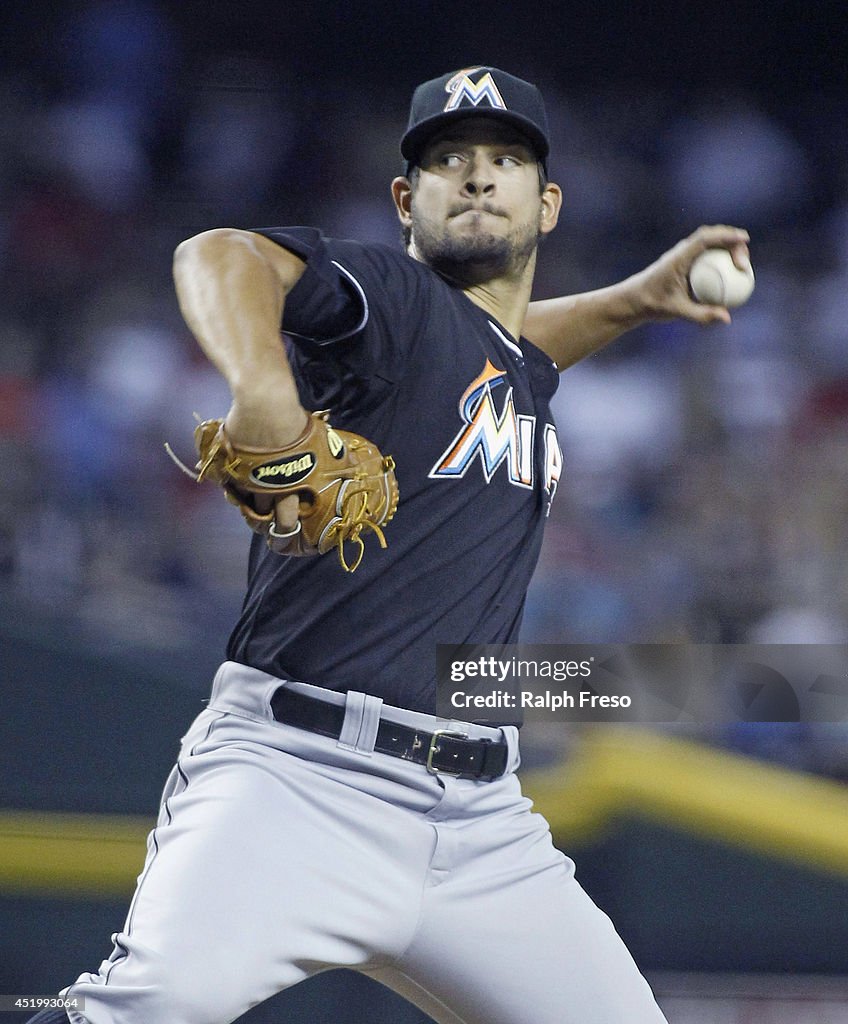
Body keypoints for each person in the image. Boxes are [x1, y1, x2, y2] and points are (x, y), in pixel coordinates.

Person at [29, 66, 750, 1024]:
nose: (479, 176)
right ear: (407, 201)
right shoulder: (390, 298)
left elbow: (519, 350)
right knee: (142, 1016)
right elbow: (221, 253)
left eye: (506, 159)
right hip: (296, 782)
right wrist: (264, 390)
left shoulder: (502, 363)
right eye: (449, 160)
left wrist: (631, 302)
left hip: (485, 826)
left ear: (549, 202)